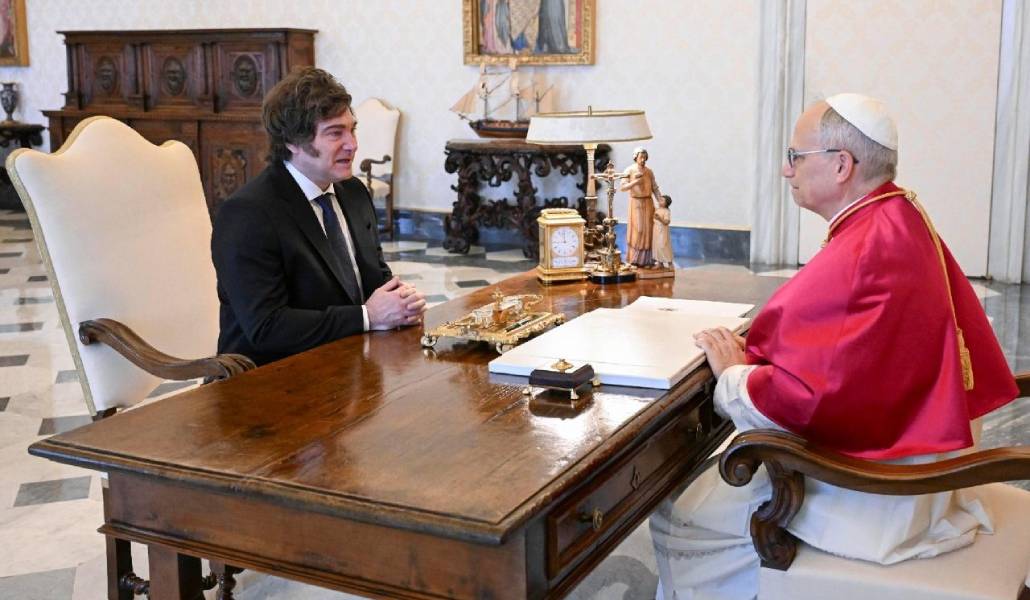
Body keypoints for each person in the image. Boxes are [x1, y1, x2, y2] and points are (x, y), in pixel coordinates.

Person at [649, 93, 1018, 600]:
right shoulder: (895, 214)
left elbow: (814, 401)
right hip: (914, 448)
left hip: (882, 494)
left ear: (841, 164)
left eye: (796, 157)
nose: (786, 170)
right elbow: (845, 358)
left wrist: (737, 377)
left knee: (681, 513)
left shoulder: (868, 247)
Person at [211, 67, 426, 366]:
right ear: (292, 142)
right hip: (270, 380)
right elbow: (267, 327)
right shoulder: (248, 214)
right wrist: (368, 316)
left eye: (352, 129)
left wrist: (401, 301)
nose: (352, 144)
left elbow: (375, 278)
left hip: (349, 365)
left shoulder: (353, 193)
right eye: (335, 133)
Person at [620, 147, 663, 267]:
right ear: (635, 157)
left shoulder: (649, 171)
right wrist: (635, 182)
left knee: (649, 230)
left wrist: (660, 200)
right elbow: (622, 187)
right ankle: (634, 258)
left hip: (648, 203)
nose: (643, 160)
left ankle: (647, 259)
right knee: (638, 229)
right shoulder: (629, 170)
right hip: (636, 203)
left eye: (645, 157)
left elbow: (654, 187)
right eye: (641, 157)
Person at [652, 195, 673, 269]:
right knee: (656, 246)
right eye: (659, 200)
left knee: (663, 246)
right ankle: (659, 263)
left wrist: (659, 218)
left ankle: (670, 263)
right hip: (656, 230)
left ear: (666, 203)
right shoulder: (657, 209)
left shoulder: (666, 211)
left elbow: (666, 222)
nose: (659, 201)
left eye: (662, 200)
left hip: (662, 231)